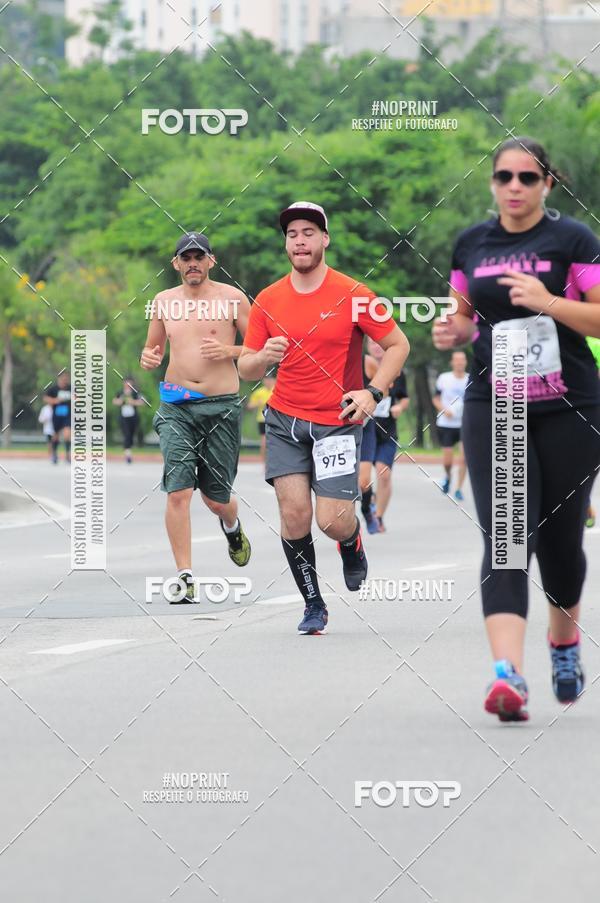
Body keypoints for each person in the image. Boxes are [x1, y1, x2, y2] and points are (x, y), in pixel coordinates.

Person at [433, 136, 600, 722]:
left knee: (559, 546)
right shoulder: (472, 243)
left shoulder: (573, 239)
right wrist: (452, 333)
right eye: (504, 176)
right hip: (494, 401)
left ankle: (563, 640)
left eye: (528, 177)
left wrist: (549, 302)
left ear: (547, 184)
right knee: (506, 537)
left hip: (569, 407)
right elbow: (459, 314)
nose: (514, 186)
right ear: (492, 183)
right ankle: (508, 675)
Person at [239, 201, 409, 634]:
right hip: (285, 421)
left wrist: (374, 392)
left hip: (337, 421)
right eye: (292, 233)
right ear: (286, 242)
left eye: (309, 232)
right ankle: (313, 604)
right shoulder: (268, 299)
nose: (300, 240)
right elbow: (245, 368)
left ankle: (351, 543)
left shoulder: (355, 295)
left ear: (325, 239)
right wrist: (261, 356)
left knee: (331, 521)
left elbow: (398, 346)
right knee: (293, 513)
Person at [141, 231, 252, 603]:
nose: (192, 263)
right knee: (179, 491)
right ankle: (185, 577)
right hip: (176, 405)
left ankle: (232, 525)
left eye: (198, 257)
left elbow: (257, 349)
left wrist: (229, 349)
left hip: (220, 405)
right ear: (176, 264)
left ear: (210, 261)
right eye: (185, 258)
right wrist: (149, 358)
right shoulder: (162, 301)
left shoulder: (232, 299)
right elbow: (153, 347)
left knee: (216, 498)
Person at [359, 339, 410, 533]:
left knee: (384, 473)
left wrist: (399, 406)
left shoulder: (398, 370)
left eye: (379, 344)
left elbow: (404, 397)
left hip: (387, 431)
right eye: (372, 344)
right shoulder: (361, 365)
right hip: (366, 427)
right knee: (362, 481)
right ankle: (367, 501)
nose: (376, 347)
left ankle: (378, 516)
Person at [432, 350, 469, 500]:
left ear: (465, 362)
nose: (459, 363)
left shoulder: (469, 379)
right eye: (457, 360)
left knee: (464, 457)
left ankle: (459, 488)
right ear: (452, 362)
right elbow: (436, 398)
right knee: (448, 460)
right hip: (446, 423)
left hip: (463, 423)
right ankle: (448, 476)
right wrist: (443, 409)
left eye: (462, 360)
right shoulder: (444, 378)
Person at [112, 376, 145, 463]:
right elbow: (114, 401)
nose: (128, 385)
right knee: (127, 435)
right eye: (126, 383)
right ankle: (128, 455)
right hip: (123, 417)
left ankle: (129, 449)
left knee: (131, 434)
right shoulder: (120, 392)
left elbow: (142, 402)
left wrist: (133, 402)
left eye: (129, 383)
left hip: (133, 417)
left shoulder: (135, 393)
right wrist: (121, 401)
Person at [43, 371, 72, 464]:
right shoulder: (53, 389)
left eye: (66, 378)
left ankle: (67, 455)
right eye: (63, 378)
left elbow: (77, 397)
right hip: (56, 415)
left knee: (67, 434)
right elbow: (45, 398)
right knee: (56, 436)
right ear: (59, 379)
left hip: (67, 415)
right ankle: (54, 454)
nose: (65, 380)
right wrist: (55, 401)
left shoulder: (70, 388)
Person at [247, 373, 276, 463]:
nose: (268, 381)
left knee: (275, 442)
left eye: (270, 379)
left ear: (274, 380)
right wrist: (257, 403)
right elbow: (249, 406)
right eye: (266, 379)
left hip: (276, 420)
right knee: (264, 442)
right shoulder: (258, 392)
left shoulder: (277, 390)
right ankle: (264, 463)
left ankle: (274, 462)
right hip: (262, 419)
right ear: (263, 381)